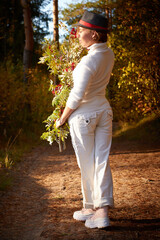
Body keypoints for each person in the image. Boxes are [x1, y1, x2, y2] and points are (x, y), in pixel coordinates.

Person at [56, 10, 114, 229]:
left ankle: (99, 213)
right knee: (101, 160)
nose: (77, 34)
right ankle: (94, 207)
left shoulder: (87, 62)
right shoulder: (108, 54)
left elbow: (76, 96)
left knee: (88, 164)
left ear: (95, 35)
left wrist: (61, 119)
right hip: (103, 112)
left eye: (81, 31)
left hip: (84, 117)